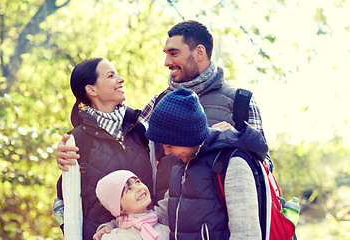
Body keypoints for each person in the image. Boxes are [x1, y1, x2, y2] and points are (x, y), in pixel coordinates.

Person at [56, 20, 272, 174]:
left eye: (174, 53)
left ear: (199, 52)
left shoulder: (240, 101)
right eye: (166, 54)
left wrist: (220, 140)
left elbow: (264, 166)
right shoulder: (158, 103)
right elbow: (122, 143)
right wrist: (69, 151)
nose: (166, 62)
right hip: (169, 225)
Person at [145, 88, 268, 239]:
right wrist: (116, 226)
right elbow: (163, 212)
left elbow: (246, 234)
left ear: (187, 137)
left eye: (169, 146)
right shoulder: (181, 165)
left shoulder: (232, 163)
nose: (166, 153)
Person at [56, 57, 154, 240]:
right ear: (91, 89)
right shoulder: (75, 141)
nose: (121, 79)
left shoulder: (140, 128)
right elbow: (69, 208)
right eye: (111, 76)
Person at [93, 170, 169, 240]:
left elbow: (172, 197)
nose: (138, 188)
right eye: (128, 189)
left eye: (137, 182)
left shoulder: (164, 225)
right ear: (120, 209)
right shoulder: (112, 237)